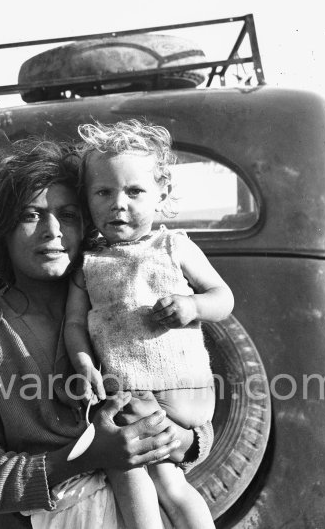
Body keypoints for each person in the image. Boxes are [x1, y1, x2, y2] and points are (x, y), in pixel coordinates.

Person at [0, 137, 202, 528]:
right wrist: (88, 456)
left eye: (67, 215)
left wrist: (181, 440)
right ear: (2, 231)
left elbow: (189, 410)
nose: (52, 231)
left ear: (87, 224)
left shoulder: (121, 305)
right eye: (30, 215)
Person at [64, 120, 235, 529]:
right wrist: (84, 364)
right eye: (104, 192)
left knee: (152, 477)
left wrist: (192, 306)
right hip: (127, 390)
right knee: (149, 476)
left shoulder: (174, 245)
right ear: (88, 201)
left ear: (162, 195)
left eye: (134, 191)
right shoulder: (88, 264)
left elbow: (222, 298)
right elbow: (74, 324)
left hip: (184, 390)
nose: (118, 203)